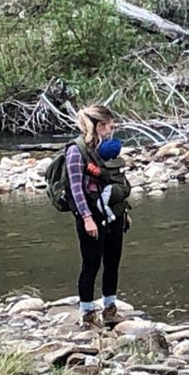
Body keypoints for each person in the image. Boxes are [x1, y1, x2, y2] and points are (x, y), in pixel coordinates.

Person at [67, 105, 131, 328]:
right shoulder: (76, 150)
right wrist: (86, 217)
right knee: (91, 263)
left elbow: (116, 181)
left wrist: (124, 211)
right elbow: (76, 188)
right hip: (90, 213)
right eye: (108, 125)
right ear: (98, 125)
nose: (111, 129)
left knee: (112, 261)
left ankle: (110, 309)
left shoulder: (107, 149)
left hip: (113, 213)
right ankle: (87, 313)